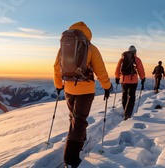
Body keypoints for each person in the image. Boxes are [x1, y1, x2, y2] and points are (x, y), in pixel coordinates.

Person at [54, 21, 113, 168]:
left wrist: (59, 85)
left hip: (68, 88)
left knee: (74, 118)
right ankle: (70, 159)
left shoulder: (63, 47)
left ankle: (81, 140)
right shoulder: (91, 48)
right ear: (88, 33)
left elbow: (56, 67)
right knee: (79, 121)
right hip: (85, 91)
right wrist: (107, 86)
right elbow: (100, 71)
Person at [115, 45, 145, 121]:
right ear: (135, 52)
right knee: (131, 97)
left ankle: (125, 110)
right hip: (133, 80)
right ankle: (127, 114)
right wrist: (142, 78)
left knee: (124, 95)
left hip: (123, 80)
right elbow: (140, 70)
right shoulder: (137, 59)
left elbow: (118, 69)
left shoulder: (122, 59)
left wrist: (117, 77)